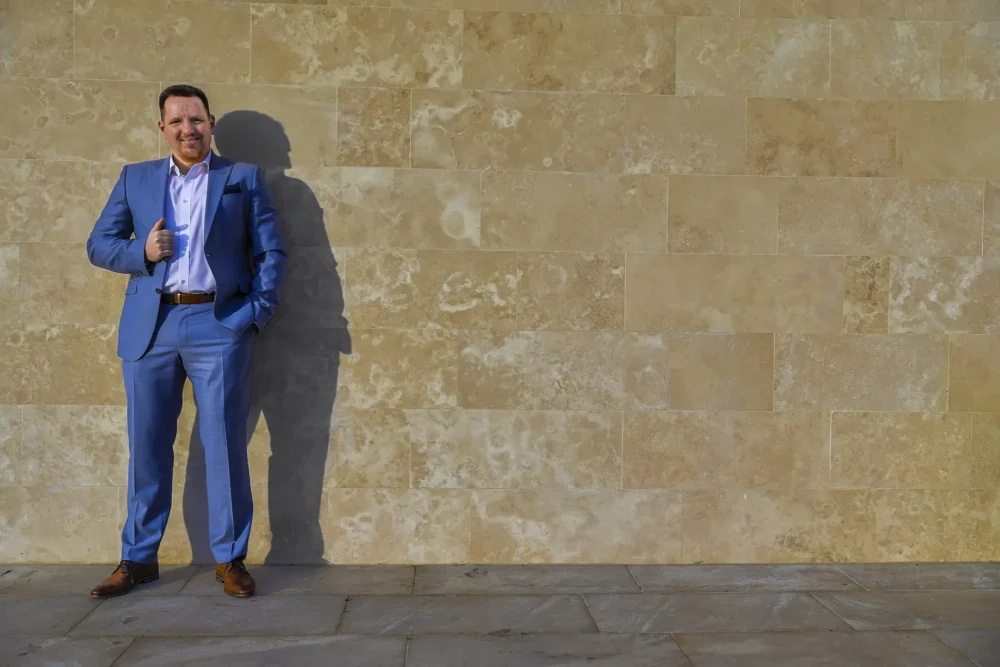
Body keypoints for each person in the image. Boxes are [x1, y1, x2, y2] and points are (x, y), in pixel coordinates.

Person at [85, 84, 287, 598]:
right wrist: (142, 251)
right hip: (150, 326)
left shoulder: (242, 178)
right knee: (146, 446)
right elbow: (99, 244)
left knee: (224, 445)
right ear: (162, 128)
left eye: (195, 119)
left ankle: (229, 559)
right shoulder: (135, 178)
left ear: (210, 123)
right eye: (176, 121)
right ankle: (137, 559)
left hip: (219, 324)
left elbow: (271, 252)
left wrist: (254, 314)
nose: (187, 129)